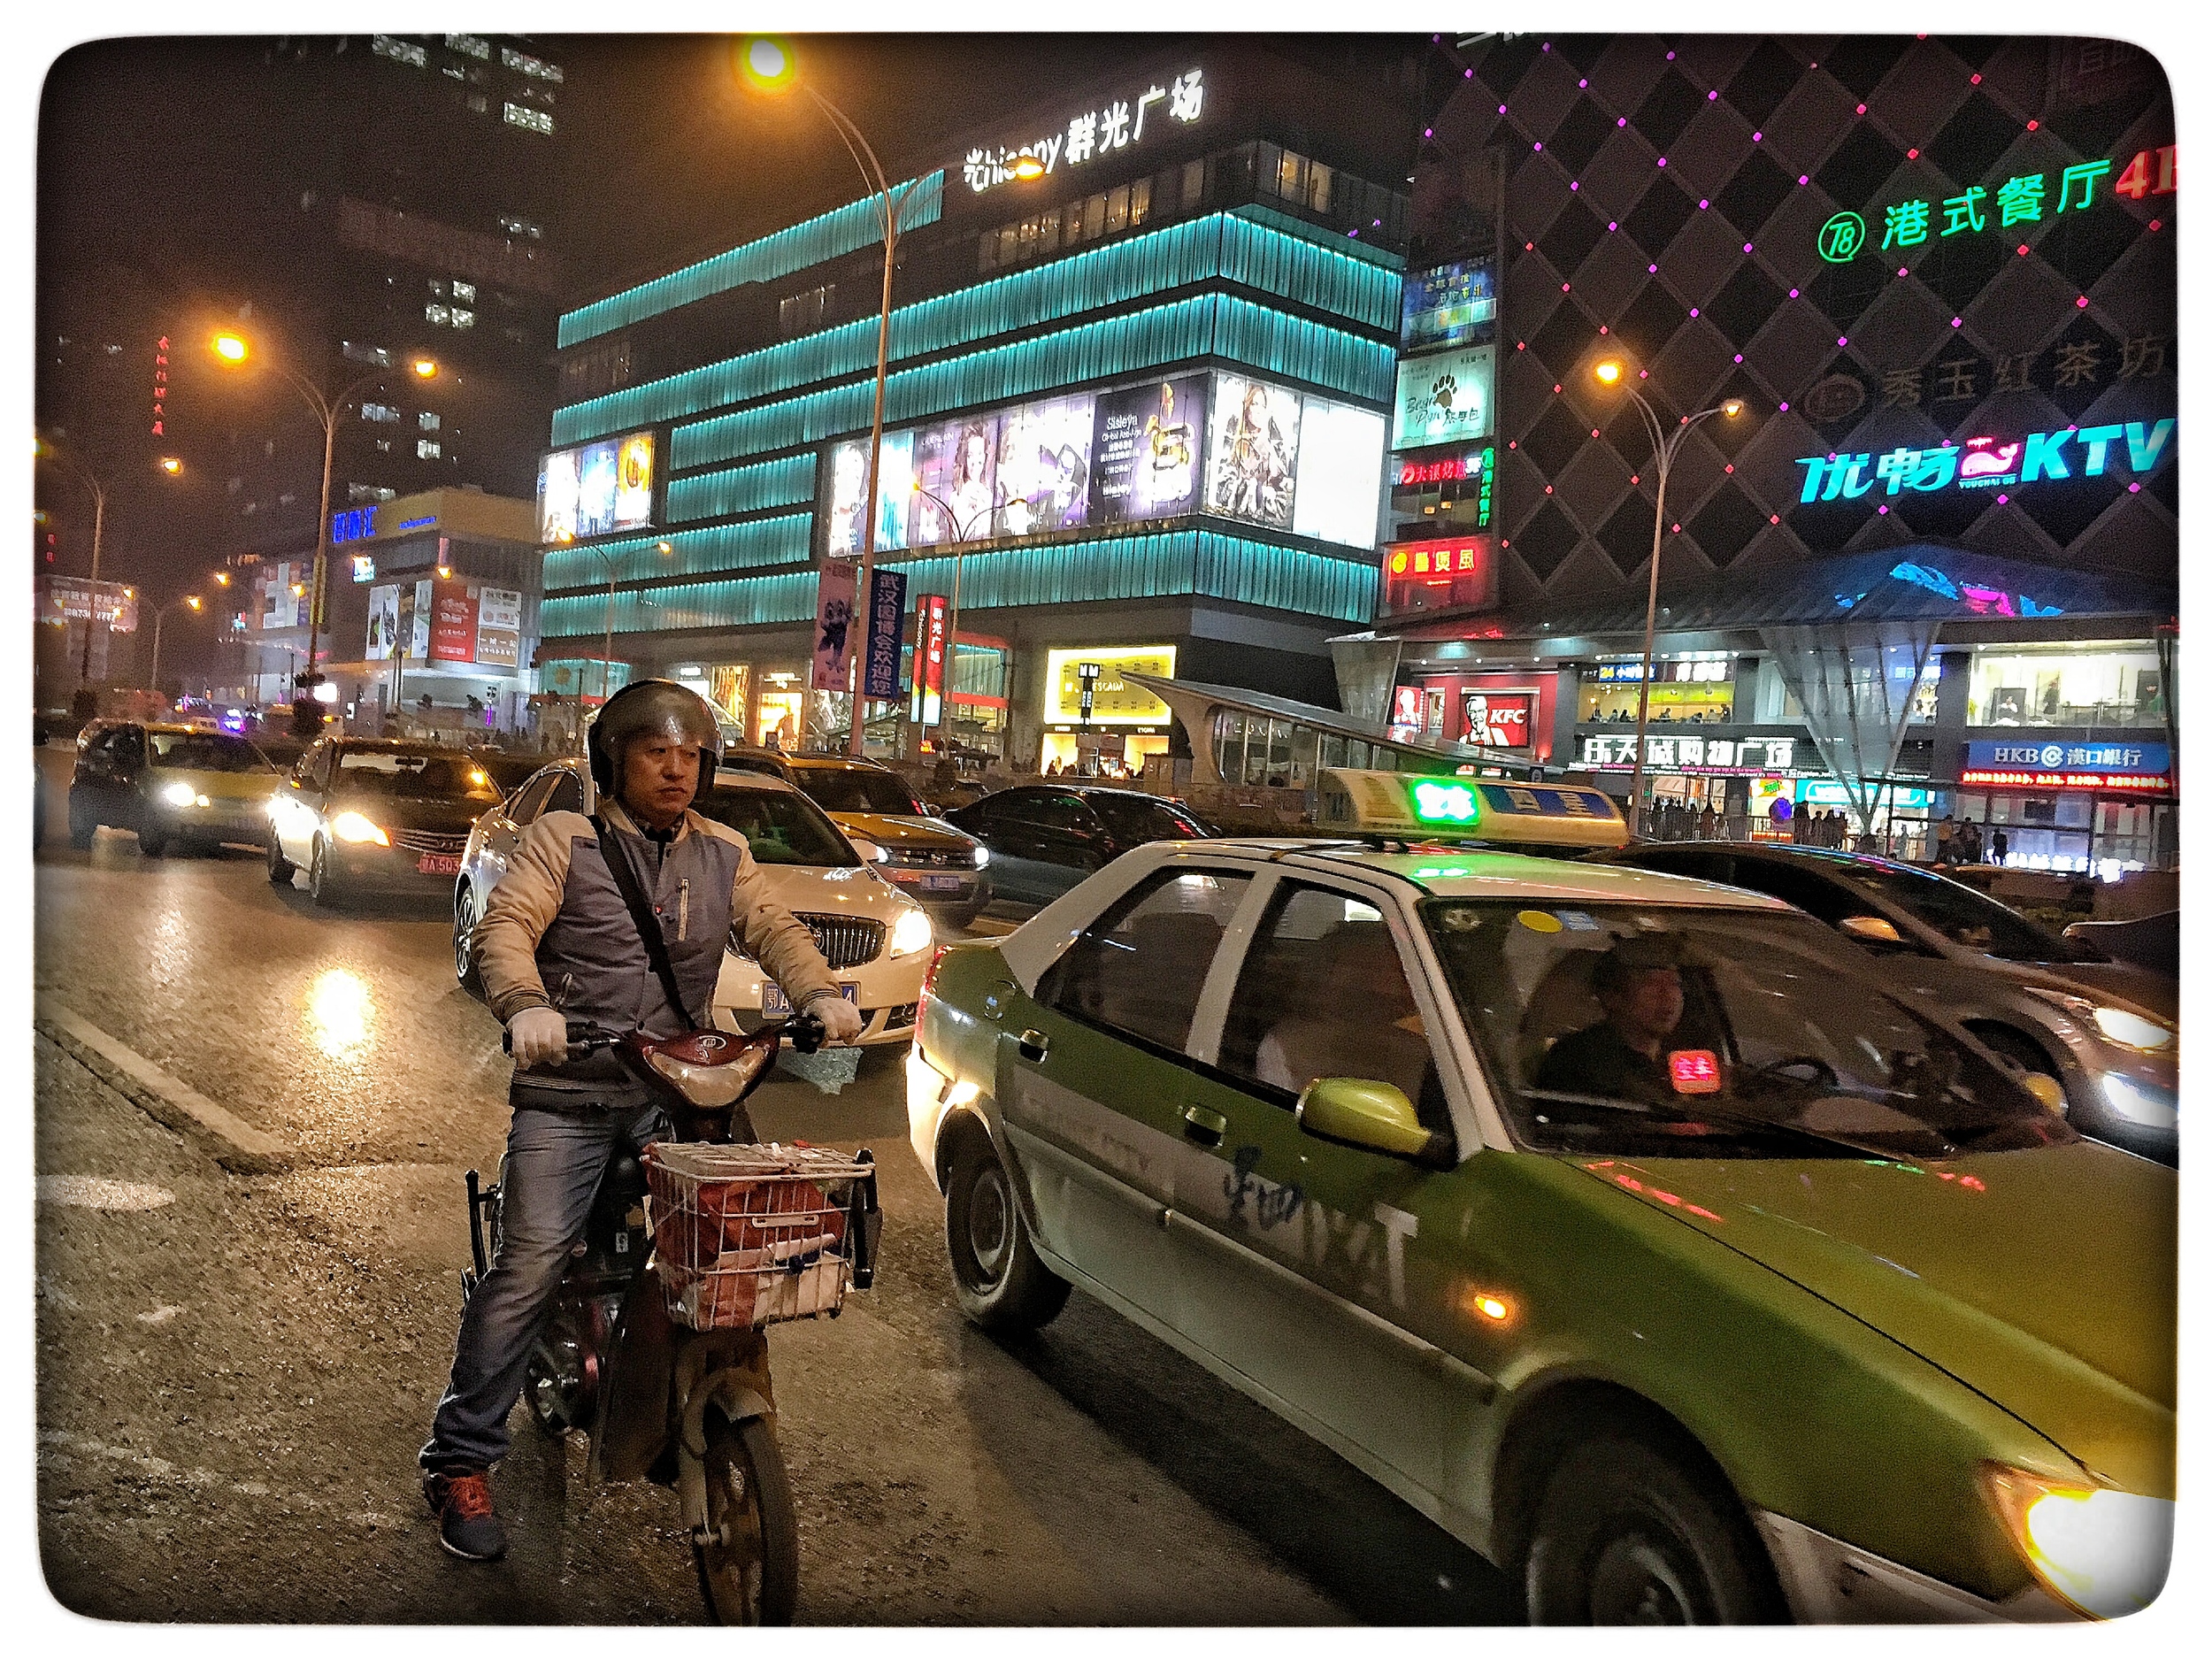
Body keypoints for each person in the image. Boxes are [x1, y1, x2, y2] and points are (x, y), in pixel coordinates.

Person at [418, 680, 864, 1562]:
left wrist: (816, 994)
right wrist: (523, 1003)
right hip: (572, 1088)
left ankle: (693, 1401)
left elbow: (775, 931)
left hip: (673, 1089)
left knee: (736, 1252)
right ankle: (459, 1458)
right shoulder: (565, 839)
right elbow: (503, 931)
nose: (676, 768)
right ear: (613, 759)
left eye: (691, 754)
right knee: (535, 1263)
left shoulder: (724, 852)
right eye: (656, 750)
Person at [1533, 937, 1695, 1107]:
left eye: (1675, 983)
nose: (1669, 995)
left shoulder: (1684, 1056)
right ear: (1612, 997)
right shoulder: (1577, 1059)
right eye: (1652, 983)